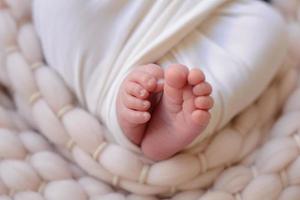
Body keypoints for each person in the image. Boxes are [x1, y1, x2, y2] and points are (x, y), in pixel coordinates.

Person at [33, 0, 287, 161]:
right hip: (117, 21)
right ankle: (117, 94)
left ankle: (169, 113)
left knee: (268, 28)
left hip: (211, 13)